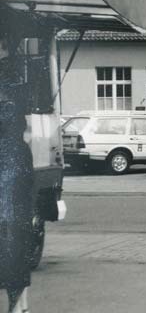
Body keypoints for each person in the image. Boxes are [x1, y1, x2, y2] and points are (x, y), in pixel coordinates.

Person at [0, 37, 33, 313]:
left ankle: (18, 305)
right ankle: (19, 305)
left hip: (10, 173)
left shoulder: (10, 83)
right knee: (14, 240)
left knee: (11, 240)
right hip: (14, 170)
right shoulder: (17, 81)